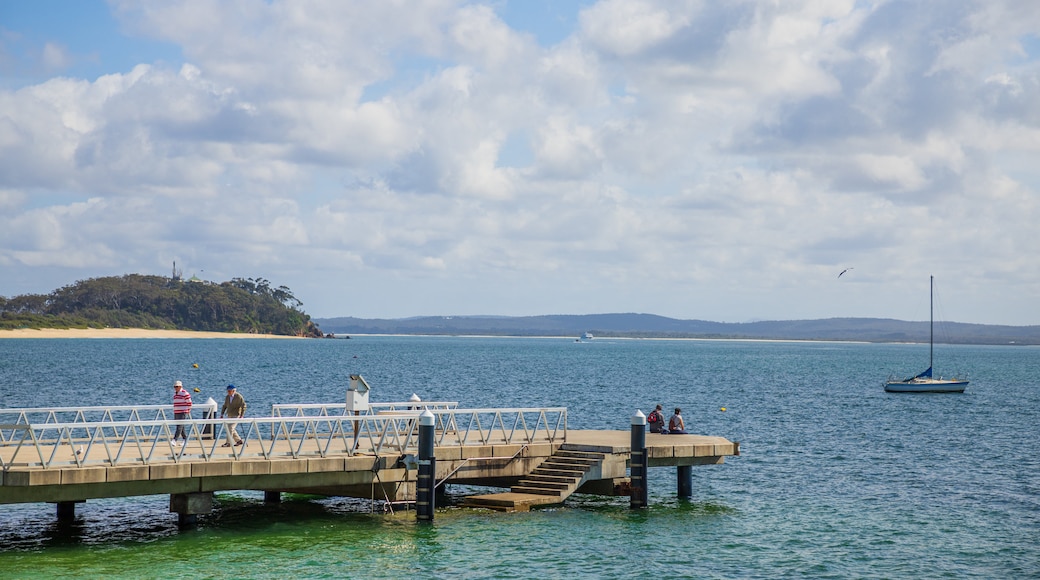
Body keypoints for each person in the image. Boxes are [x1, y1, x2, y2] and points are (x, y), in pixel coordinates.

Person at [172, 380, 192, 445]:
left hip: (183, 411)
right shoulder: (175, 394)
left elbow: (189, 402)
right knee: (181, 426)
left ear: (180, 386)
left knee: (179, 426)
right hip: (177, 411)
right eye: (175, 387)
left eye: (177, 386)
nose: (175, 388)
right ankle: (185, 440)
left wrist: (188, 410)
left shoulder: (185, 393)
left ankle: (175, 439)